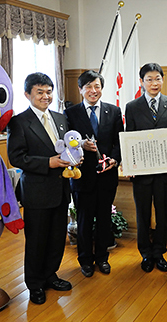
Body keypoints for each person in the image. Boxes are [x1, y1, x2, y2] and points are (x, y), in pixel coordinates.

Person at [7, 72, 72, 305]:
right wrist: (48, 162)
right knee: (36, 240)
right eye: (40, 92)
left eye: (49, 91)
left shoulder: (60, 118)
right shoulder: (18, 122)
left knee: (56, 237)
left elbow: (67, 147)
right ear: (27, 94)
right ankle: (34, 284)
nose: (46, 96)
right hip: (36, 190)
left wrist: (75, 155)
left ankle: (50, 274)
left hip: (62, 187)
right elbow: (16, 157)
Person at [65, 70, 123, 278]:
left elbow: (119, 141)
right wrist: (81, 145)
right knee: (84, 220)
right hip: (83, 177)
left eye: (96, 86)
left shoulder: (114, 111)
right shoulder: (71, 113)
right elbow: (66, 142)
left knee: (104, 219)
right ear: (81, 90)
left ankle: (102, 258)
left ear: (101, 88)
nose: (93, 90)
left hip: (107, 176)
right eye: (88, 86)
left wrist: (115, 159)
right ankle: (85, 260)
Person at [125, 63, 167, 273]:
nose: (154, 83)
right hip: (141, 173)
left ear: (163, 80)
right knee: (142, 214)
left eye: (157, 78)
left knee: (163, 213)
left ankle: (159, 252)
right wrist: (129, 164)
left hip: (165, 172)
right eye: (149, 79)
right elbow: (129, 137)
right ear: (142, 82)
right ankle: (146, 254)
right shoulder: (132, 106)